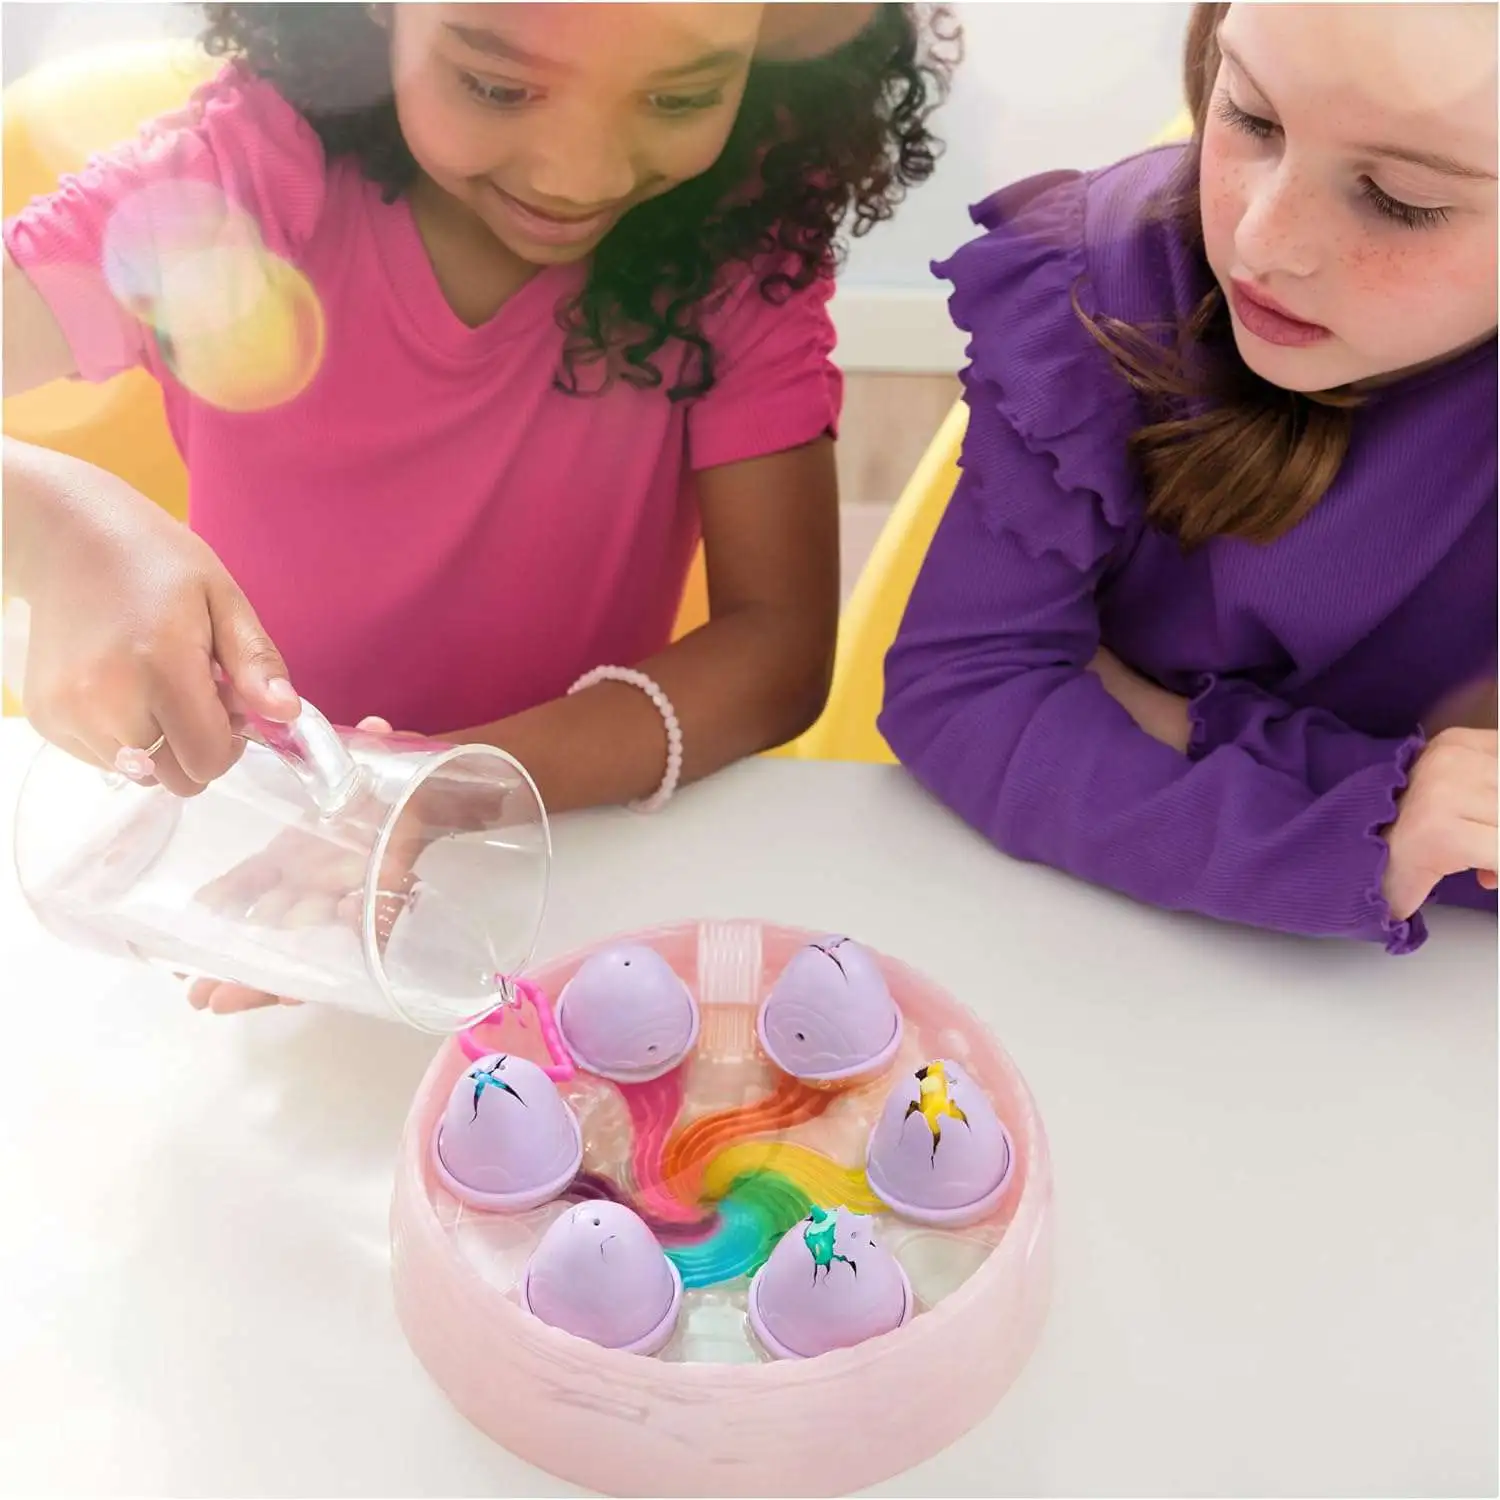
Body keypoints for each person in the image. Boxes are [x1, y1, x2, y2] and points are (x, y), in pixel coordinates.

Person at [3, 2, 956, 1008]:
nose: (577, 175)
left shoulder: (743, 242)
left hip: (565, 868)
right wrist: (48, 525)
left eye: (681, 97)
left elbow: (778, 651)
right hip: (240, 851)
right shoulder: (236, 180)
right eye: (497, 86)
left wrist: (443, 789)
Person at [881, 2, 1496, 954]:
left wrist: (1169, 720)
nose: (1262, 241)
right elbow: (962, 689)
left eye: (1399, 198)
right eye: (1250, 114)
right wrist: (1357, 830)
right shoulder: (1106, 280)